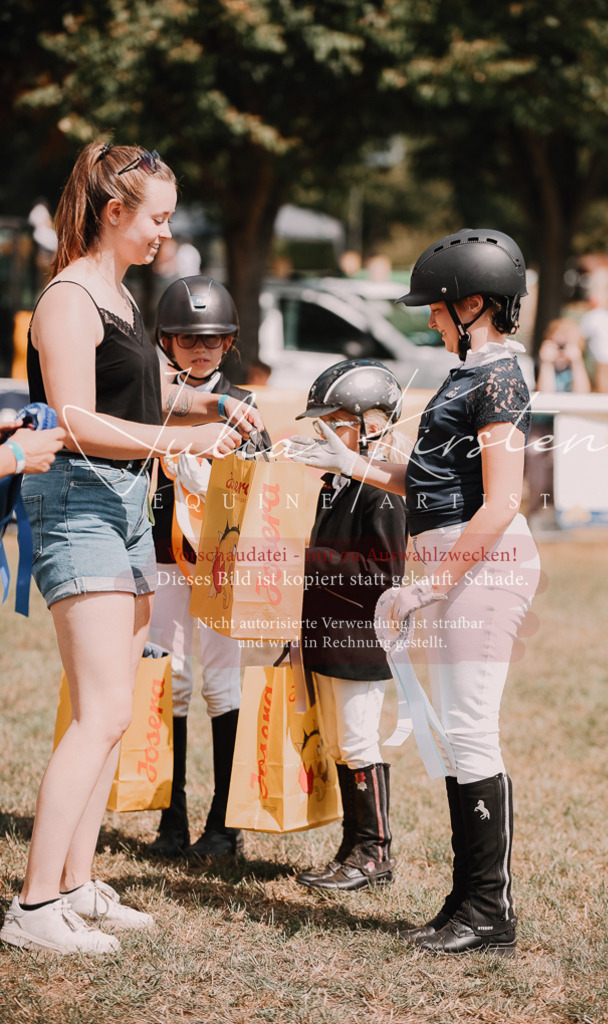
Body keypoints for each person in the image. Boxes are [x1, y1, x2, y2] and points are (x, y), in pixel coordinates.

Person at [0, 142, 263, 956]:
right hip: (79, 501)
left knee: (106, 712)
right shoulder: (69, 299)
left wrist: (213, 409)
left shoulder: (116, 293)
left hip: (119, 505)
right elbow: (75, 418)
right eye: (155, 218)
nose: (165, 234)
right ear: (113, 214)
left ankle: (77, 884)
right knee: (106, 710)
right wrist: (179, 438)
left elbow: (146, 385)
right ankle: (35, 906)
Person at [288, 229, 540, 956]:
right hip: (456, 567)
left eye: (435, 307)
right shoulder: (468, 376)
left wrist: (430, 586)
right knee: (458, 739)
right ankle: (466, 901)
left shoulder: (498, 381)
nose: (429, 319)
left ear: (471, 303)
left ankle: (489, 912)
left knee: (469, 732)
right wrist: (353, 461)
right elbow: (429, 483)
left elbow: (498, 502)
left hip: (478, 568)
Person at [146, 275, 269, 860]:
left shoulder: (243, 407)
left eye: (213, 339)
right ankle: (170, 817)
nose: (200, 348)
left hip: (223, 564)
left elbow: (264, 492)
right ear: (166, 341)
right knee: (169, 680)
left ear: (230, 342)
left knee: (221, 682)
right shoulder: (147, 398)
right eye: (187, 338)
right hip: (164, 556)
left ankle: (224, 824)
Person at [293, 359, 409, 892]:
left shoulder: (382, 492)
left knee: (360, 741)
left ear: (372, 424)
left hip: (361, 639)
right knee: (340, 743)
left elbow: (384, 572)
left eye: (334, 421)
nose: (323, 432)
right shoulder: (333, 485)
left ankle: (376, 851)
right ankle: (352, 843)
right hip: (329, 635)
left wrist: (308, 561)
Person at [526, 318, 590, 521]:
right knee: (535, 453)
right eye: (557, 344)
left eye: (566, 345)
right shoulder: (535, 366)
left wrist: (576, 361)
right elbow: (547, 395)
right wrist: (546, 363)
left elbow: (582, 396)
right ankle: (535, 512)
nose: (561, 350)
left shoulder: (578, 367)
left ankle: (563, 514)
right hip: (541, 426)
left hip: (571, 429)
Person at [580, 294, 608, 393]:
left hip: (601, 355)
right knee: (606, 381)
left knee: (603, 384)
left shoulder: (592, 315)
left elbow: (582, 335)